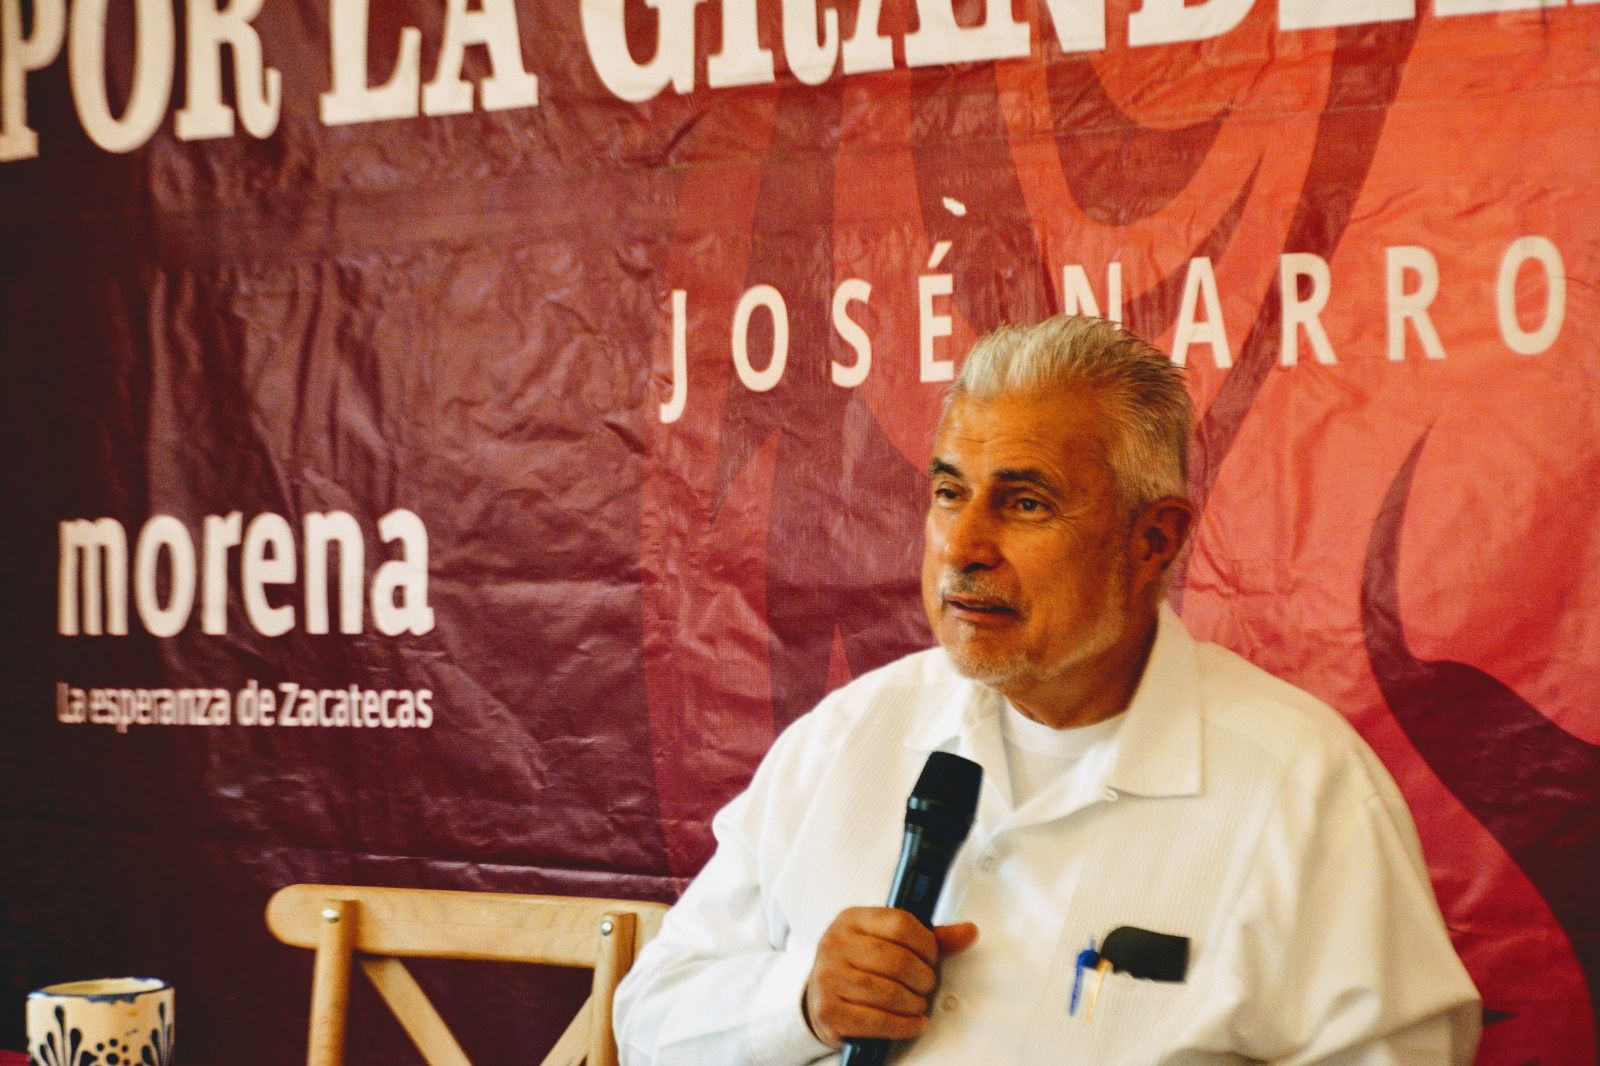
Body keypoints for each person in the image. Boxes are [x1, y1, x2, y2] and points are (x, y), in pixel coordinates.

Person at [614, 315, 1481, 1064]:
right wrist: (800, 1003)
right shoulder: (848, 736)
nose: (963, 545)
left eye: (1024, 503)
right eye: (949, 492)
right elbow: (647, 1022)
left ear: (1153, 540)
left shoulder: (1306, 786)